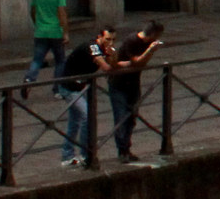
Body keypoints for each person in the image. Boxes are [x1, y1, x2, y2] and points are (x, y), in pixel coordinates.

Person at [57, 29, 115, 166]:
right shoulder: (93, 47)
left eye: (113, 39)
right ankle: (86, 154)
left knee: (75, 121)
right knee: (87, 117)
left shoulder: (103, 48)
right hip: (69, 87)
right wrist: (112, 59)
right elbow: (106, 67)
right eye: (108, 39)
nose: (110, 42)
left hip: (80, 87)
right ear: (100, 37)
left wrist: (112, 56)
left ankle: (67, 155)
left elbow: (111, 64)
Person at [106, 20, 163, 162]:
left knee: (132, 117)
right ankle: (122, 151)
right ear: (154, 34)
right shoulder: (131, 41)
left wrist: (150, 51)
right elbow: (137, 62)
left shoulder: (147, 43)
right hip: (119, 83)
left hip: (133, 83)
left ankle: (127, 148)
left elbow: (142, 64)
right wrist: (150, 50)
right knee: (121, 117)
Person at [21, 0, 68, 87]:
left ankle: (29, 79)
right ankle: (57, 87)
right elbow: (62, 15)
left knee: (37, 60)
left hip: (41, 31)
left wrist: (37, 24)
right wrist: (65, 33)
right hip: (56, 32)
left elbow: (32, 11)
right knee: (60, 61)